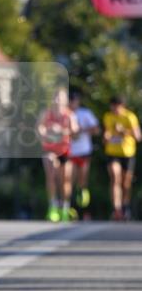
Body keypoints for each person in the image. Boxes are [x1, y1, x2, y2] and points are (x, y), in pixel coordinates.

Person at [37, 88, 79, 222]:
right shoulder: (46, 113)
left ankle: (65, 207)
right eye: (55, 97)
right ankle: (53, 207)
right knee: (50, 174)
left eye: (60, 98)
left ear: (65, 100)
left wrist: (62, 131)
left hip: (65, 151)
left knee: (65, 180)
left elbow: (76, 133)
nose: (57, 100)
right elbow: (39, 128)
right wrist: (46, 133)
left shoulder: (69, 115)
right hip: (50, 150)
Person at [102, 96, 141, 221]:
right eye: (112, 106)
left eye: (116, 106)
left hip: (127, 154)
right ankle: (116, 209)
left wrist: (124, 131)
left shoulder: (130, 117)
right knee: (115, 176)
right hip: (112, 153)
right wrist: (106, 137)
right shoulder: (108, 117)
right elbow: (106, 134)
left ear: (122, 106)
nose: (114, 109)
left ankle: (125, 207)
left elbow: (138, 137)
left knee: (126, 183)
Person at [67, 91, 100, 220]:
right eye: (70, 101)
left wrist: (82, 130)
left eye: (73, 101)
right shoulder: (65, 114)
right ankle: (70, 209)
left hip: (84, 152)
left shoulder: (85, 113)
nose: (72, 103)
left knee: (82, 182)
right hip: (70, 153)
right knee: (69, 180)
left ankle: (84, 211)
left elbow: (96, 130)